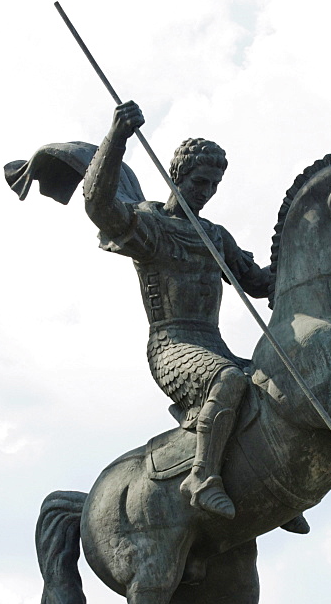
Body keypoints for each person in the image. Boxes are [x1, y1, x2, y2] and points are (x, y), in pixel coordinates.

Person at [83, 100, 308, 532]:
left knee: (275, 385)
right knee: (229, 380)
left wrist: (308, 244)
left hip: (213, 343)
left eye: (213, 185)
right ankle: (202, 476)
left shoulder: (216, 236)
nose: (206, 192)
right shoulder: (150, 225)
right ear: (177, 176)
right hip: (172, 345)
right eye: (200, 182)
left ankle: (264, 481)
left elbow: (260, 284)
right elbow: (99, 206)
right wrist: (116, 139)